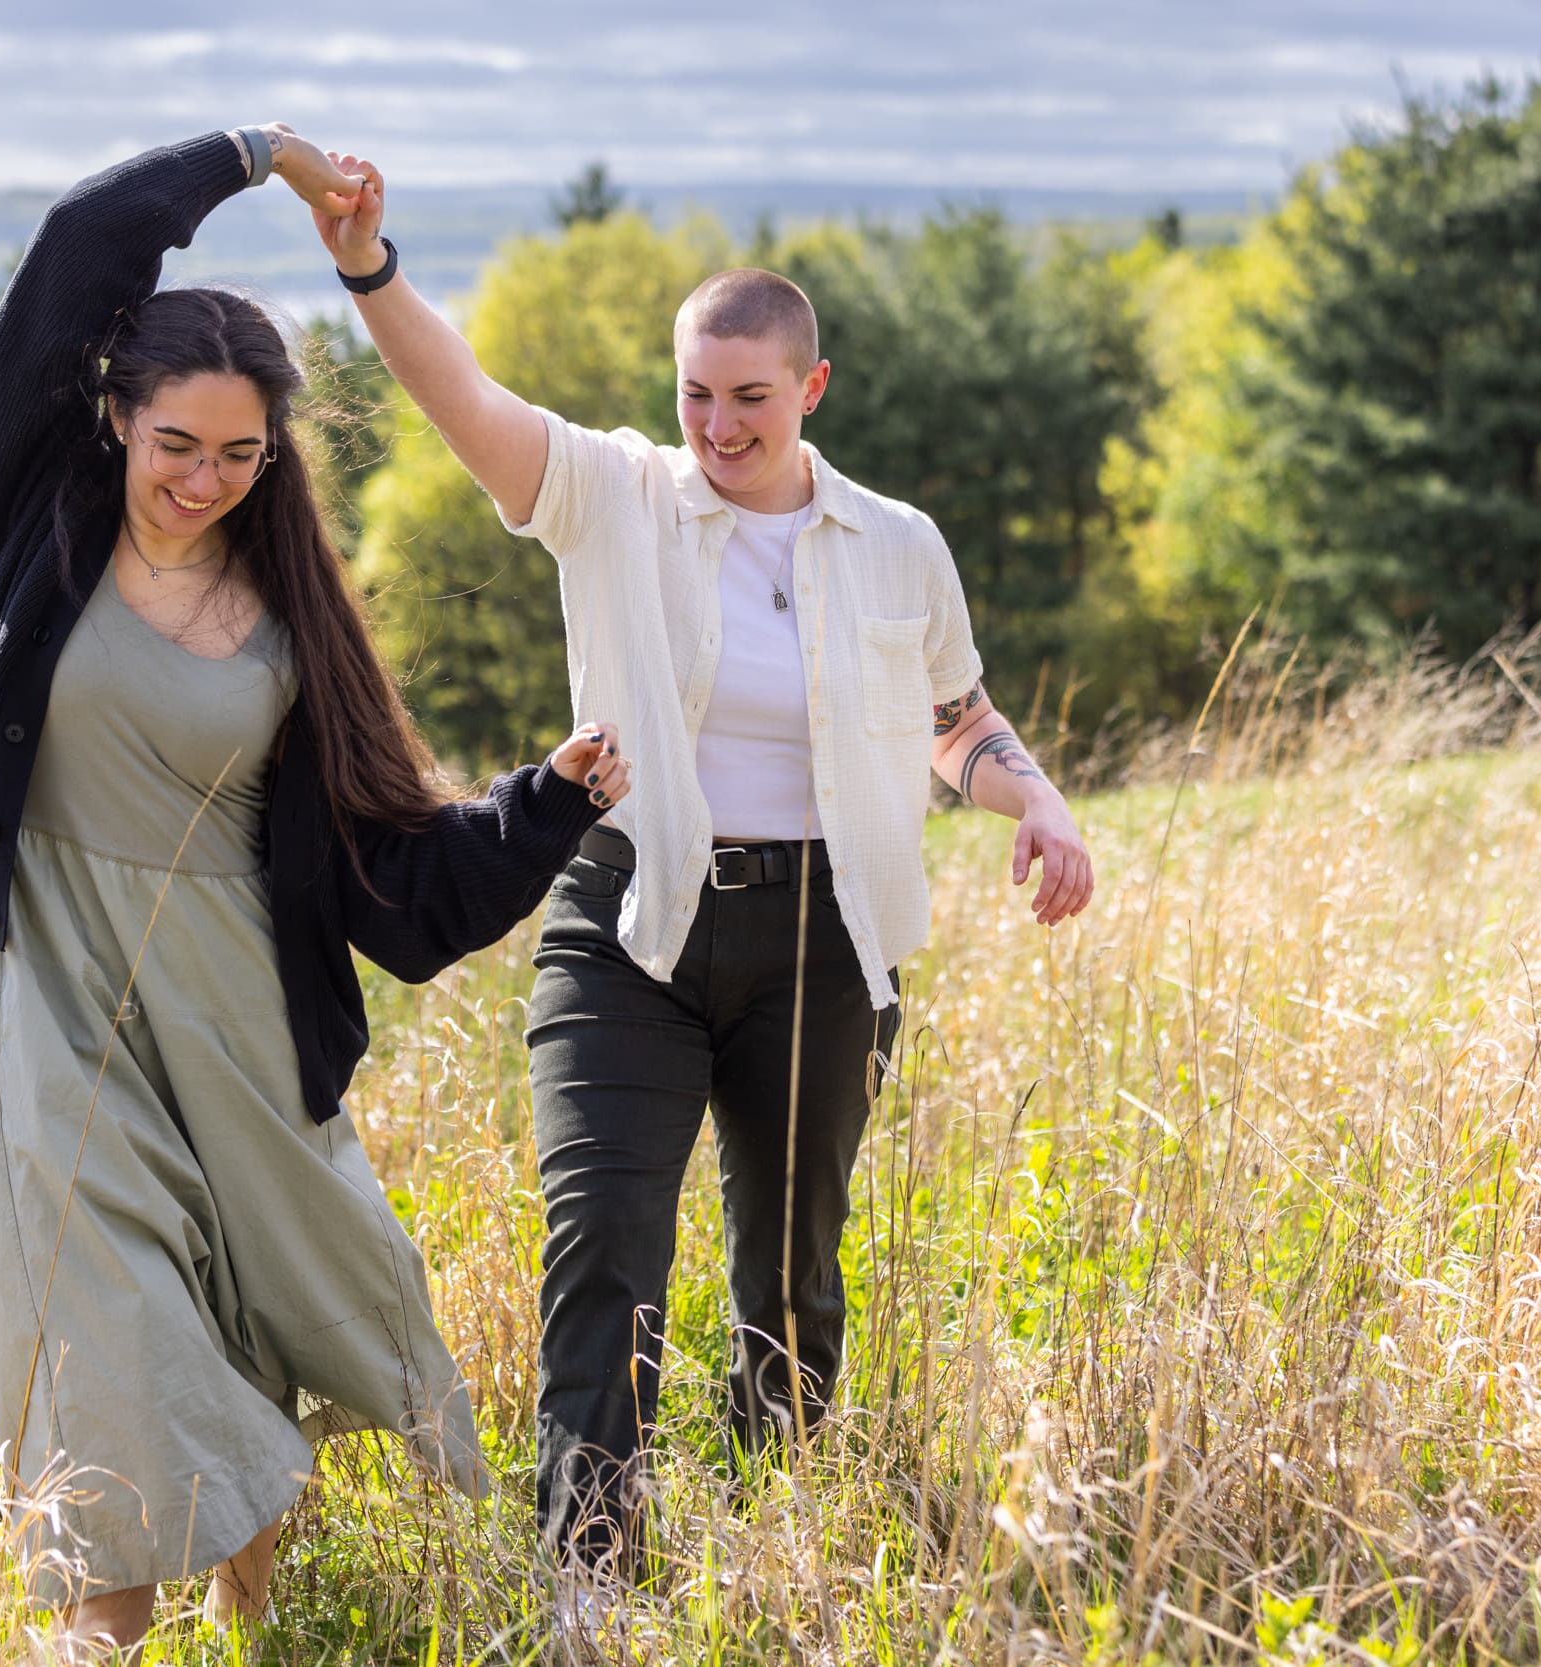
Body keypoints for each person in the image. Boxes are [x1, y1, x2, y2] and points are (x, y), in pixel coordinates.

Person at [309, 156, 1096, 1580]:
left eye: (750, 395)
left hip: (826, 943)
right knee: (604, 1242)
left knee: (788, 1276)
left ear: (813, 387)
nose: (719, 425)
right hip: (633, 927)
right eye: (696, 393)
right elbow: (464, 401)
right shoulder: (615, 497)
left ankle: (774, 1544)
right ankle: (590, 1576)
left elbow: (954, 720)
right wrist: (371, 268)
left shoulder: (898, 547)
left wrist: (1033, 801)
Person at [0, 124, 632, 1657]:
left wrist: (550, 798)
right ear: (114, 419)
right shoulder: (34, 529)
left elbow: (395, 880)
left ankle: (263, 1627)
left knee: (258, 1321)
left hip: (242, 1025)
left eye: (240, 455)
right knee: (105, 1342)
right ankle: (99, 1640)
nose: (201, 481)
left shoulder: (287, 621)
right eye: (175, 444)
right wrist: (255, 155)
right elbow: (71, 261)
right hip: (55, 1014)